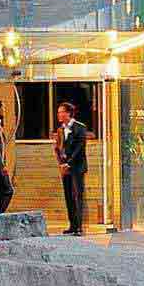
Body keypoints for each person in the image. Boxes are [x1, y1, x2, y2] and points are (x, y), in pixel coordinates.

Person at [54, 101, 89, 236]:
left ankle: (79, 226)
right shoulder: (60, 130)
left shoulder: (80, 127)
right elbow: (58, 148)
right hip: (65, 168)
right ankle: (72, 225)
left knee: (77, 196)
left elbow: (80, 148)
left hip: (76, 168)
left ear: (68, 113)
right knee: (68, 196)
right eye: (58, 112)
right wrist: (61, 162)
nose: (59, 115)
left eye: (61, 112)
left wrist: (69, 162)